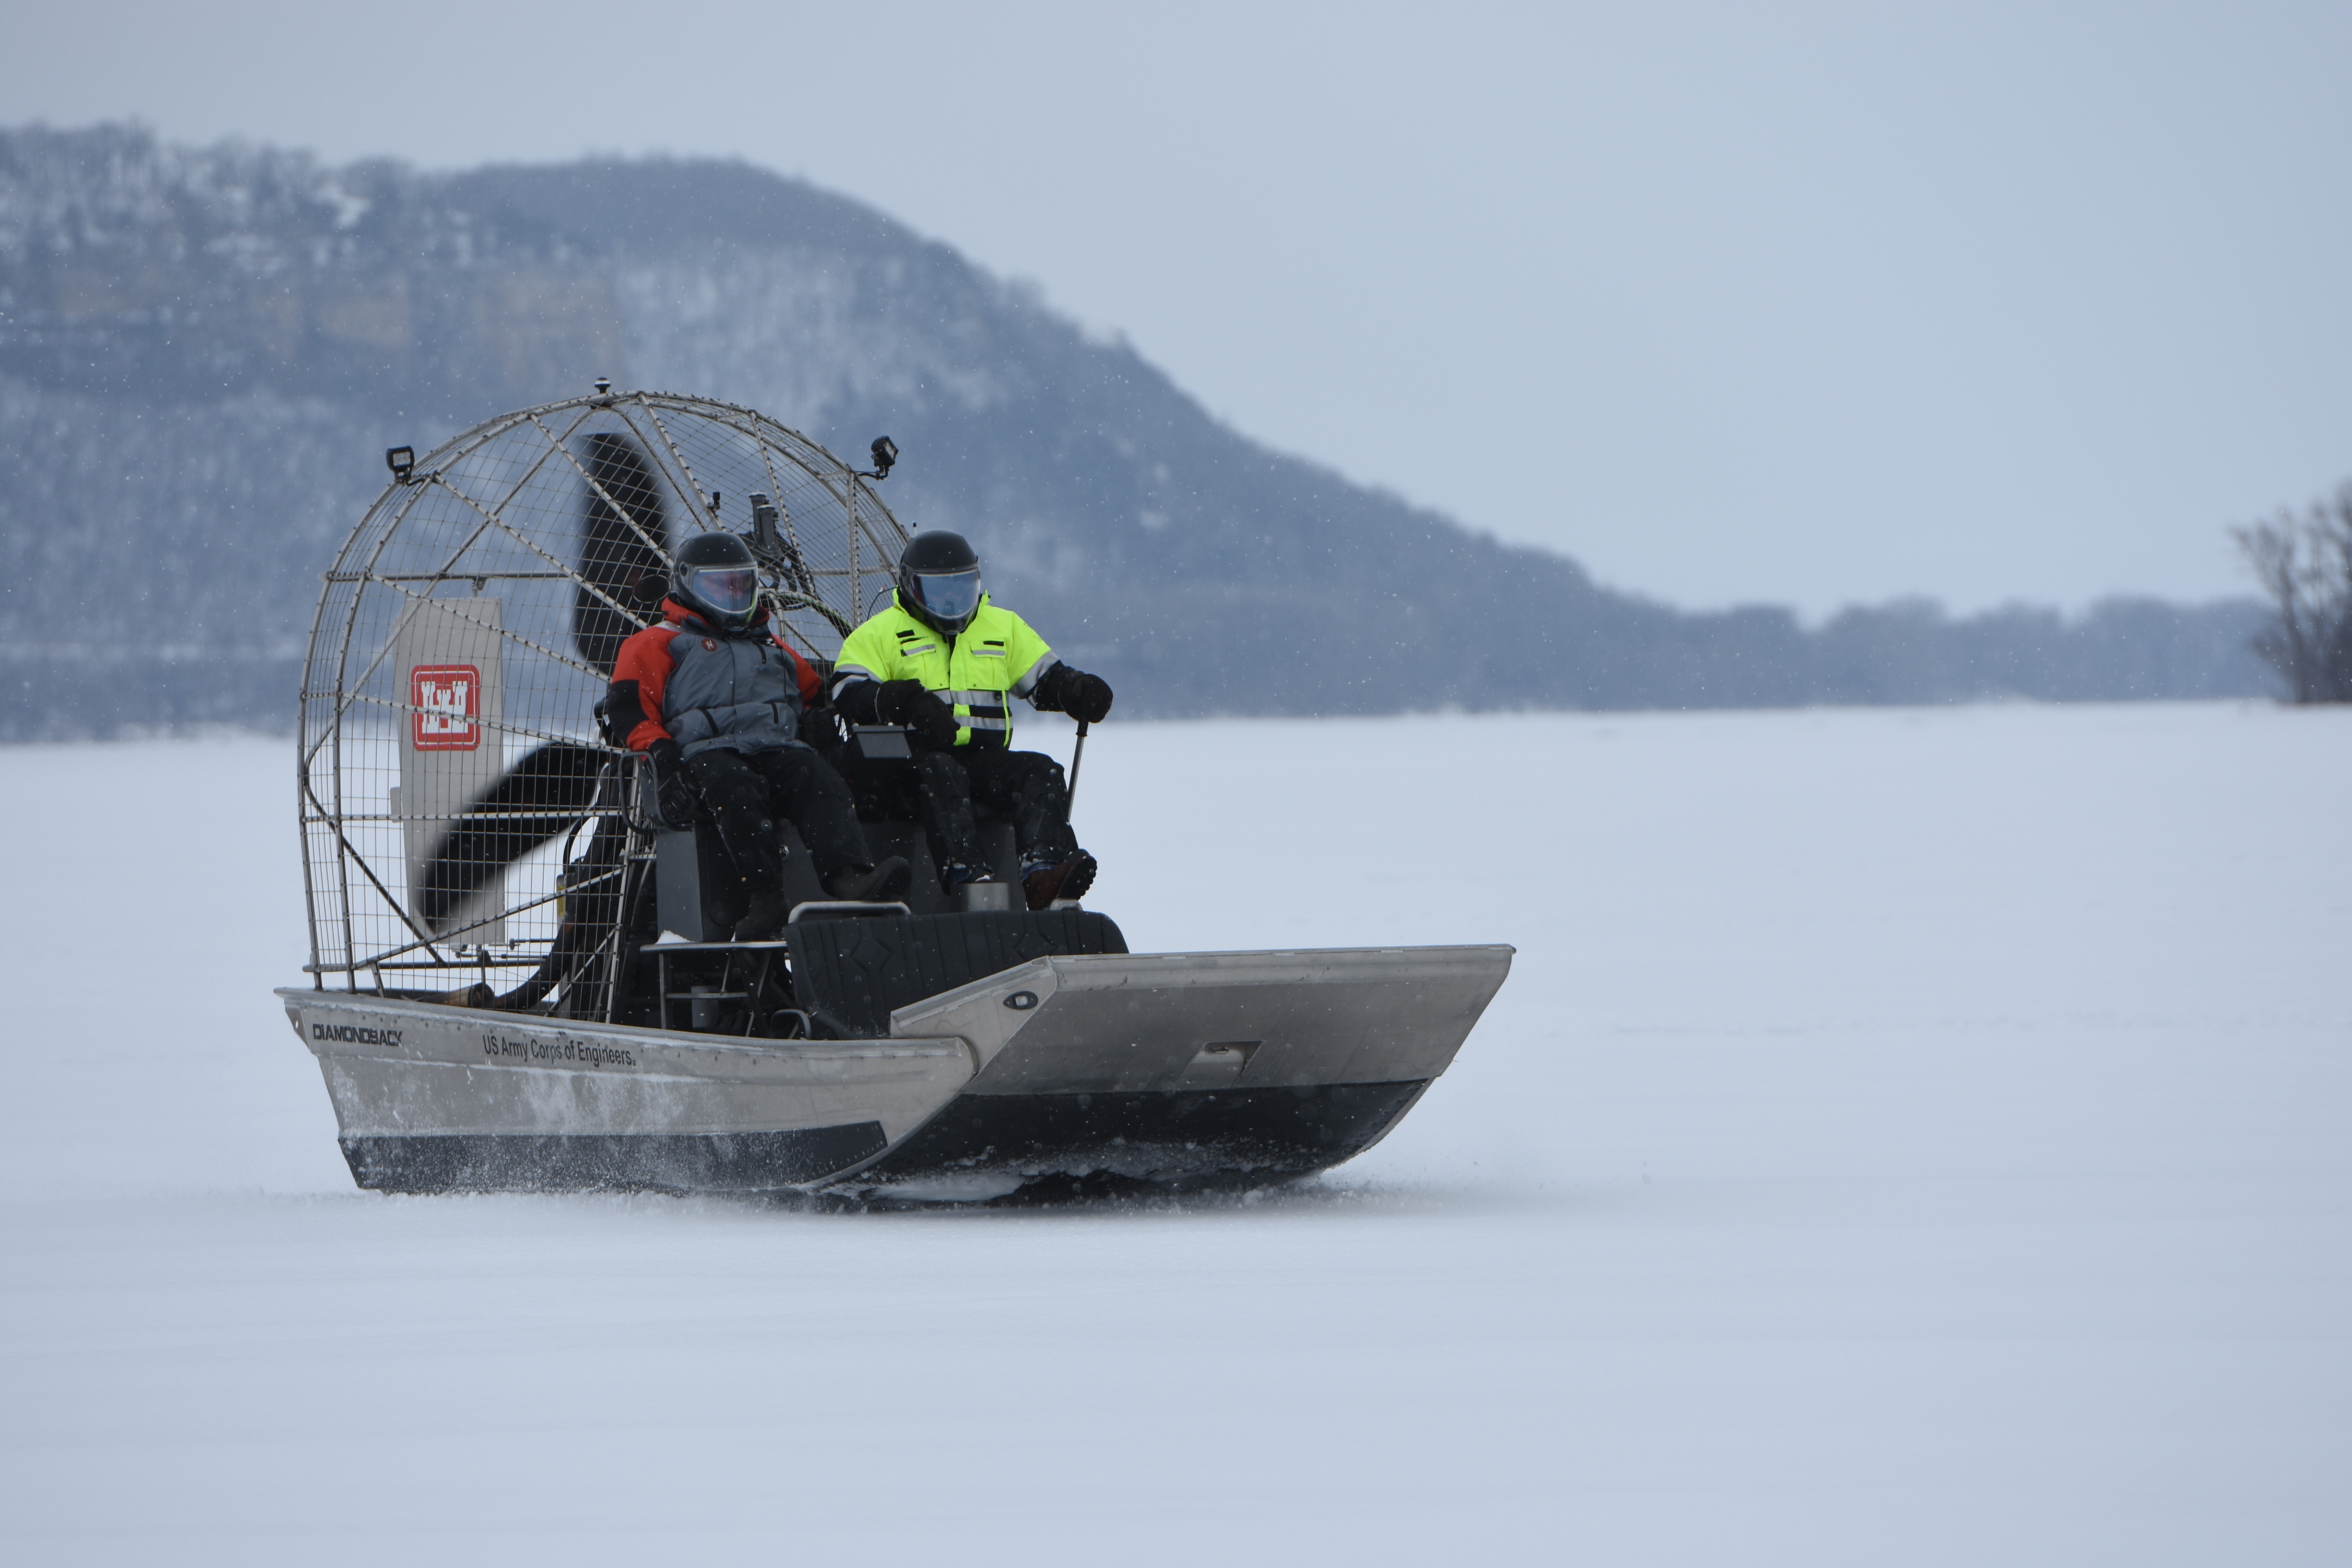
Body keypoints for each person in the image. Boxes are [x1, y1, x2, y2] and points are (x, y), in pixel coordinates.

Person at [608, 531, 911, 940]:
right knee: (736, 788)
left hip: (775, 746)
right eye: (719, 586)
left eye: (741, 586)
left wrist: (819, 719)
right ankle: (765, 896)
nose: (732, 596)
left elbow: (811, 691)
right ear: (687, 585)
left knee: (817, 778)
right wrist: (661, 753)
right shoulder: (657, 643)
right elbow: (629, 710)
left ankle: (848, 874)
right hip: (704, 753)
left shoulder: (770, 645)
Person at [831, 531, 1113, 910]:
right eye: (940, 590)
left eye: (963, 588)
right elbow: (848, 693)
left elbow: (1047, 679)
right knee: (941, 771)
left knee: (1041, 771)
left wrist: (1077, 690)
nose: (952, 601)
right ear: (911, 587)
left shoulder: (1003, 627)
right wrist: (904, 700)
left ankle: (1043, 874)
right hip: (908, 767)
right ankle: (967, 875)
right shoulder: (879, 634)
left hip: (981, 762)